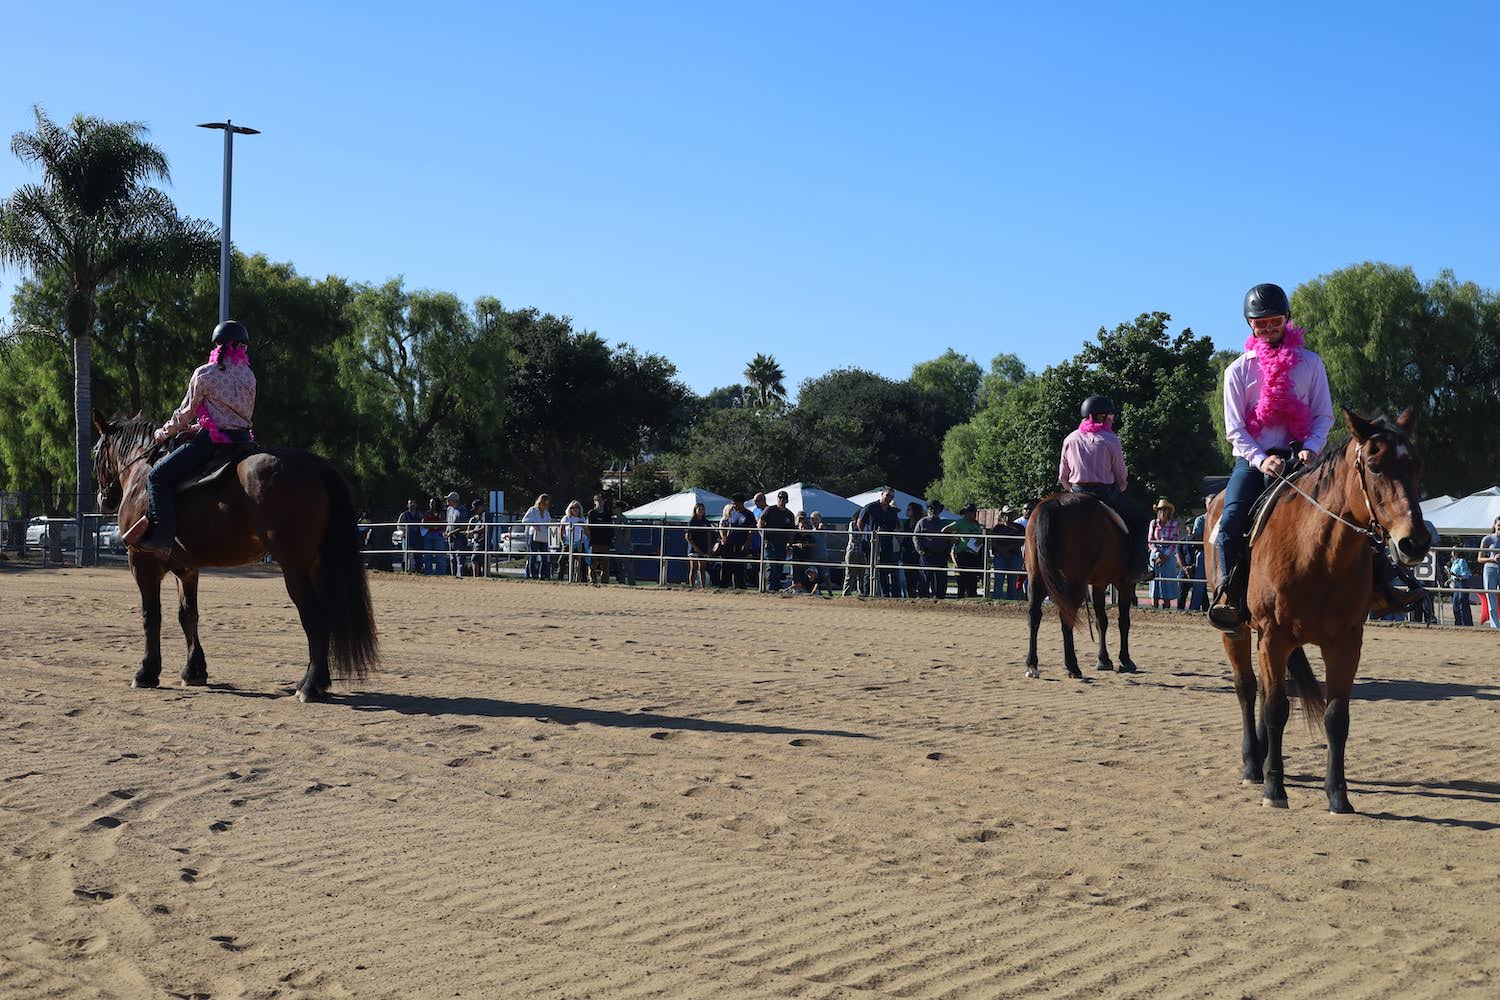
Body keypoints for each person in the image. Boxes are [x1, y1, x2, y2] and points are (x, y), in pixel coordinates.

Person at [1209, 283, 1336, 631]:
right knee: (1231, 521)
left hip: (1301, 460)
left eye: (1274, 321)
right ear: (1249, 324)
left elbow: (1324, 415)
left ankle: (1383, 584)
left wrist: (1311, 447)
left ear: (1286, 319)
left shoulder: (1311, 363)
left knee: (1347, 511)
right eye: (1259, 323)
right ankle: (1230, 595)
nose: (1267, 328)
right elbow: (1234, 428)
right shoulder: (1237, 371)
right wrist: (1261, 460)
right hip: (1254, 461)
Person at [137, 320, 257, 559]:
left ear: (218, 345)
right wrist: (197, 426)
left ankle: (162, 538)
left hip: (212, 444)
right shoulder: (249, 376)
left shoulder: (205, 373)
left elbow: (185, 413)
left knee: (157, 476)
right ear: (242, 347)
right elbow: (237, 415)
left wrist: (163, 433)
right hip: (244, 443)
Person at [1057, 394, 1151, 591]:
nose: (1112, 419)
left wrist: (1073, 491)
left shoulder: (1070, 439)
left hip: (1076, 493)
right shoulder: (1110, 439)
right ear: (1100, 416)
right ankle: (1138, 568)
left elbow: (1063, 476)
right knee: (1141, 520)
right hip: (1105, 494)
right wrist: (1120, 489)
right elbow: (1121, 476)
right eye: (1110, 415)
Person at [857, 487, 903, 596]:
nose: (889, 498)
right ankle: (867, 593)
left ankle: (885, 594)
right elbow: (860, 522)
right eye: (887, 495)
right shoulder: (870, 507)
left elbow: (897, 525)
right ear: (882, 494)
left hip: (887, 544)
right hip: (870, 543)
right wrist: (866, 535)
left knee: (884, 569)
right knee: (870, 569)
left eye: (891, 496)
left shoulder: (892, 512)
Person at [758, 490, 797, 591]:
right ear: (777, 499)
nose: (782, 500)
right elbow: (760, 524)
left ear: (787, 500)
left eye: (784, 498)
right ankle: (770, 588)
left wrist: (790, 544)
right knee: (771, 566)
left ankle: (775, 589)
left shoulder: (790, 515)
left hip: (782, 545)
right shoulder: (770, 510)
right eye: (780, 498)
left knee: (779, 567)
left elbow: (791, 532)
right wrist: (764, 539)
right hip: (770, 544)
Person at [1148, 499, 1182, 609]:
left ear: (1169, 511)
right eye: (1161, 509)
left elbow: (1174, 542)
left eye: (1165, 509)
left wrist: (1164, 556)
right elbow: (1150, 540)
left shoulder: (1174, 524)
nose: (1163, 511)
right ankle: (1154, 604)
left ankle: (1167, 605)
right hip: (1155, 552)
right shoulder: (1153, 523)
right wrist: (1158, 554)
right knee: (1154, 579)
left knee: (1167, 579)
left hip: (1168, 553)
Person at [945, 503, 984, 598]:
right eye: (969, 512)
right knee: (962, 581)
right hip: (963, 554)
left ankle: (972, 601)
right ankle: (961, 600)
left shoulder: (977, 524)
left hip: (974, 555)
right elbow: (945, 530)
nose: (971, 515)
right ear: (965, 513)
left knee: (973, 581)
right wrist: (952, 539)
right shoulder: (960, 522)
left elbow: (981, 538)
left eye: (973, 512)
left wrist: (980, 541)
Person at [914, 502, 951, 598]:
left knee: (940, 579)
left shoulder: (944, 524)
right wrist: (921, 551)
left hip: (941, 555)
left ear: (940, 510)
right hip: (927, 555)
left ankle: (939, 598)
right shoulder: (922, 522)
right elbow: (916, 538)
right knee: (925, 578)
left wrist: (946, 552)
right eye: (931, 508)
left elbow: (949, 539)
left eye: (935, 509)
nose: (933, 511)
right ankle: (923, 598)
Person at [719, 494, 755, 589]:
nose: (733, 505)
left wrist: (747, 543)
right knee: (726, 567)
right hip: (729, 545)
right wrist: (724, 537)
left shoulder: (749, 514)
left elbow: (752, 530)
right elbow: (726, 525)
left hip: (741, 544)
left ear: (740, 503)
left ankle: (740, 588)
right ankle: (724, 586)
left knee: (739, 568)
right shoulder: (732, 513)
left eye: (734, 503)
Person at [989, 505, 1024, 600]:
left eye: (1010, 515)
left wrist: (1008, 549)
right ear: (1003, 516)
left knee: (1012, 581)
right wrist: (1003, 550)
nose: (1008, 517)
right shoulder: (998, 528)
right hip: (1000, 556)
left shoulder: (1020, 528)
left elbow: (1021, 541)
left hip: (1015, 556)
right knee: (998, 580)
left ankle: (1011, 601)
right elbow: (994, 542)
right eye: (1006, 515)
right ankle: (997, 600)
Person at [521, 493, 554, 580]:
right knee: (533, 555)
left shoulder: (547, 513)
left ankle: (543, 575)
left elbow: (549, 522)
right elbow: (524, 520)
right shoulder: (532, 510)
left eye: (547, 503)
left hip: (544, 536)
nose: (545, 505)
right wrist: (533, 524)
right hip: (534, 535)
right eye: (544, 503)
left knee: (544, 556)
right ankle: (532, 574)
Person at [900, 502, 929, 598]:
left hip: (917, 552)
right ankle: (911, 596)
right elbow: (904, 537)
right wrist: (903, 546)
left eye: (909, 509)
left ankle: (921, 594)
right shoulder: (907, 523)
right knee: (908, 575)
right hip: (907, 552)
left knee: (918, 574)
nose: (907, 511)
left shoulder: (920, 523)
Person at [559, 500, 590, 582]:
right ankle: (561, 578)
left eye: (577, 508)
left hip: (580, 542)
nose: (575, 510)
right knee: (562, 560)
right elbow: (561, 529)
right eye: (573, 508)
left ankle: (583, 579)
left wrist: (583, 526)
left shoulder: (582, 518)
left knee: (582, 562)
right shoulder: (566, 518)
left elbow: (587, 533)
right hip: (568, 543)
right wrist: (562, 540)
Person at [586, 494, 614, 585]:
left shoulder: (607, 514)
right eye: (598, 500)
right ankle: (592, 581)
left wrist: (610, 540)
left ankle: (605, 582)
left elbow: (610, 529)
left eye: (601, 500)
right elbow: (588, 529)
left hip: (605, 543)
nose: (600, 502)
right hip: (594, 543)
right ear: (594, 502)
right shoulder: (591, 514)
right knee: (592, 565)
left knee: (605, 565)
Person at [685, 502, 713, 588]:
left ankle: (703, 587)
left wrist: (708, 549)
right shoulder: (691, 522)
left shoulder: (706, 522)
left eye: (702, 509)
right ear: (695, 510)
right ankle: (692, 586)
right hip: (694, 549)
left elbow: (708, 535)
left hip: (703, 548)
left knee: (702, 568)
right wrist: (696, 548)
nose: (701, 511)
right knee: (693, 568)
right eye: (699, 509)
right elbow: (687, 537)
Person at [1480, 517, 1500, 628]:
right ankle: (1495, 626)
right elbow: (1480, 558)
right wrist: (1492, 559)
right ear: (1495, 525)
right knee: (1491, 598)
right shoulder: (1487, 539)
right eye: (1499, 525)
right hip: (1490, 569)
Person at [610, 500, 636, 586]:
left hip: (623, 545)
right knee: (619, 565)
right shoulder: (614, 519)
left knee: (627, 565)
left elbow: (627, 532)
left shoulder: (623, 518)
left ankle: (631, 582)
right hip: (617, 544)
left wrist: (626, 543)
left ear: (620, 509)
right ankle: (621, 582)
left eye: (615, 507)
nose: (613, 509)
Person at [1448, 546, 1474, 627]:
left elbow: (1465, 574)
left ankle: (1465, 623)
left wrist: (1457, 575)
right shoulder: (1454, 562)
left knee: (1462, 603)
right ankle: (1458, 622)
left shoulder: (1462, 561)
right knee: (1456, 604)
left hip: (1462, 583)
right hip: (1456, 583)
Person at [396, 498, 425, 573]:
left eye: (414, 503)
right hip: (407, 537)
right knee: (406, 554)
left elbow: (423, 524)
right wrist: (405, 529)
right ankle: (405, 570)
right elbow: (398, 525)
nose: (412, 504)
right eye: (410, 503)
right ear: (407, 505)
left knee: (418, 554)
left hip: (417, 537)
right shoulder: (404, 514)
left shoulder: (419, 514)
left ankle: (418, 570)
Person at [443, 491, 466, 577]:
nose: (447, 501)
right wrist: (446, 531)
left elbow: (463, 526)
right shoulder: (449, 510)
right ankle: (453, 575)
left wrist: (452, 532)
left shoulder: (462, 510)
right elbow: (448, 523)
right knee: (452, 557)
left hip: (459, 537)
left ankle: (460, 576)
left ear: (454, 500)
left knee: (459, 557)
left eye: (449, 499)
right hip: (451, 537)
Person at [464, 498, 488, 578]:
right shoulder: (480, 516)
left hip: (482, 541)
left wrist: (473, 532)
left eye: (477, 509)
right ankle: (479, 577)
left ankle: (476, 578)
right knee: (479, 560)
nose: (476, 511)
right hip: (478, 541)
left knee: (474, 559)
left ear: (481, 507)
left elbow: (484, 528)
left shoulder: (485, 514)